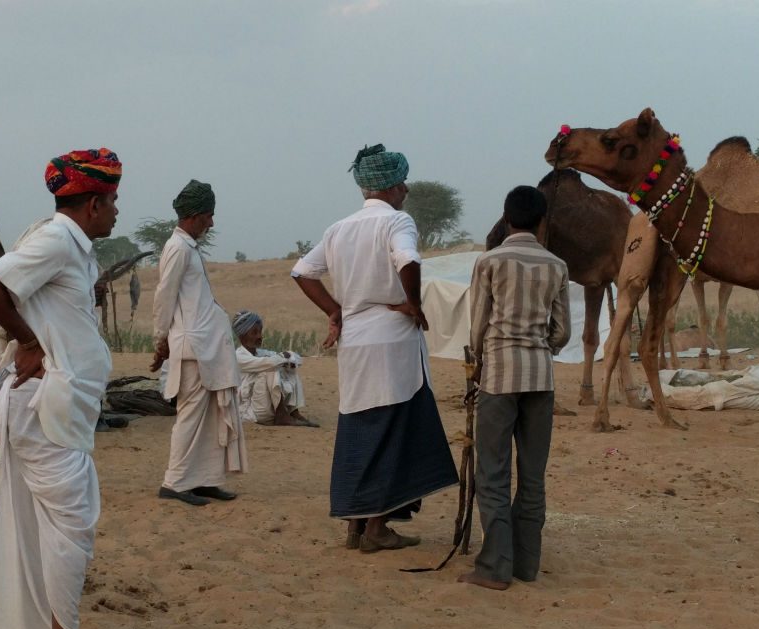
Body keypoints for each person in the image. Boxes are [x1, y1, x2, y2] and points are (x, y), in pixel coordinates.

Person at [0, 148, 120, 629]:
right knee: (72, 527)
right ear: (95, 203)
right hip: (46, 405)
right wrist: (28, 339)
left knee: (47, 528)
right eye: (115, 201)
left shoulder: (71, 247)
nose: (118, 212)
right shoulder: (57, 238)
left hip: (56, 405)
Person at [291, 144, 458, 553]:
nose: (406, 190)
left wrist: (336, 310)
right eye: (403, 184)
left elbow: (302, 272)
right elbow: (408, 259)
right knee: (393, 431)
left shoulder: (339, 229)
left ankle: (355, 526)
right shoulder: (397, 221)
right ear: (395, 186)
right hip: (392, 341)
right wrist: (414, 303)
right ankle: (377, 529)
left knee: (359, 429)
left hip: (356, 343)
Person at [458, 185, 570, 591]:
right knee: (533, 474)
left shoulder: (490, 261)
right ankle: (526, 564)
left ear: (506, 219)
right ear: (542, 222)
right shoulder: (557, 265)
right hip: (541, 378)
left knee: (493, 472)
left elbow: (477, 325)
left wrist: (478, 365)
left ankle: (494, 568)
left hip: (499, 377)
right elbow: (562, 332)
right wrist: (542, 348)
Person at [150, 179, 248, 507]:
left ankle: (204, 480)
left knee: (209, 418)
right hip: (191, 349)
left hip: (206, 348)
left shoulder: (188, 247)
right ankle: (175, 482)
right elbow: (165, 297)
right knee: (191, 416)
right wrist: (159, 340)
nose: (211, 222)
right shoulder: (177, 248)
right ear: (194, 216)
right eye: (208, 215)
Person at [231, 310, 317, 427]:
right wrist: (284, 358)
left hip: (269, 409)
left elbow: (297, 359)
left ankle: (293, 412)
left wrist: (287, 360)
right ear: (242, 337)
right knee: (270, 368)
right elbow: (269, 363)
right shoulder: (238, 357)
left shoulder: (262, 353)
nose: (260, 336)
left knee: (290, 368)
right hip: (253, 412)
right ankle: (282, 415)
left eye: (260, 332)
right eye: (254, 333)